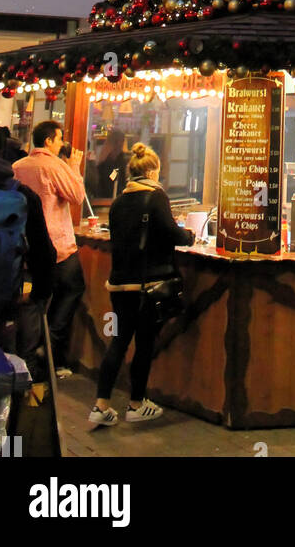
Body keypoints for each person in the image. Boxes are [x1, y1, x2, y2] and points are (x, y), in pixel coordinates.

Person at [90, 142, 195, 427]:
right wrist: (189, 236)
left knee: (120, 342)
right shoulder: (155, 196)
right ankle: (136, 403)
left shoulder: (119, 201)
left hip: (119, 283)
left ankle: (101, 404)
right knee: (144, 343)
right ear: (151, 170)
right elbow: (171, 232)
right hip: (148, 284)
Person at [0, 122, 56, 377]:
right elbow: (44, 254)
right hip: (3, 305)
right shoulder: (22, 195)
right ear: (1, 152)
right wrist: (38, 294)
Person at [13, 119, 86, 378]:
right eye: (60, 138)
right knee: (72, 288)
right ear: (48, 141)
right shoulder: (54, 166)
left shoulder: (17, 166)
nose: (63, 142)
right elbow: (77, 196)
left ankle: (29, 363)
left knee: (32, 303)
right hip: (57, 246)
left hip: (25, 248)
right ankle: (50, 348)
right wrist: (74, 167)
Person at [94, 128, 127, 200]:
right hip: (105, 198)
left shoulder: (120, 159)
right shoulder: (107, 161)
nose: (120, 144)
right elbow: (109, 181)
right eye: (119, 141)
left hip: (115, 197)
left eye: (122, 141)